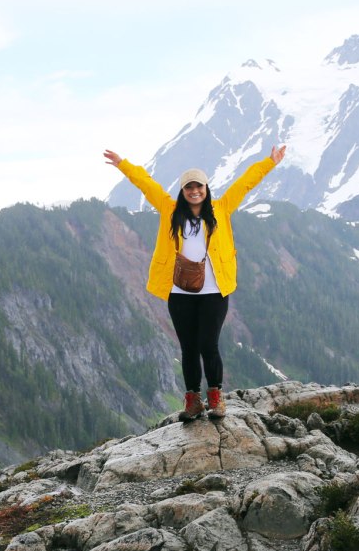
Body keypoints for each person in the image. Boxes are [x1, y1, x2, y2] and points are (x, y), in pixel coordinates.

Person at [103, 145, 287, 421]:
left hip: (214, 291)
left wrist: (270, 162)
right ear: (183, 190)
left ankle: (215, 399)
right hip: (180, 292)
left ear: (205, 188)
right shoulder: (170, 210)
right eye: (189, 187)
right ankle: (192, 402)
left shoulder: (221, 209)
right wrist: (123, 165)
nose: (194, 191)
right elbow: (146, 184)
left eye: (198, 186)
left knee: (208, 345)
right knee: (188, 347)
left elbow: (245, 183)